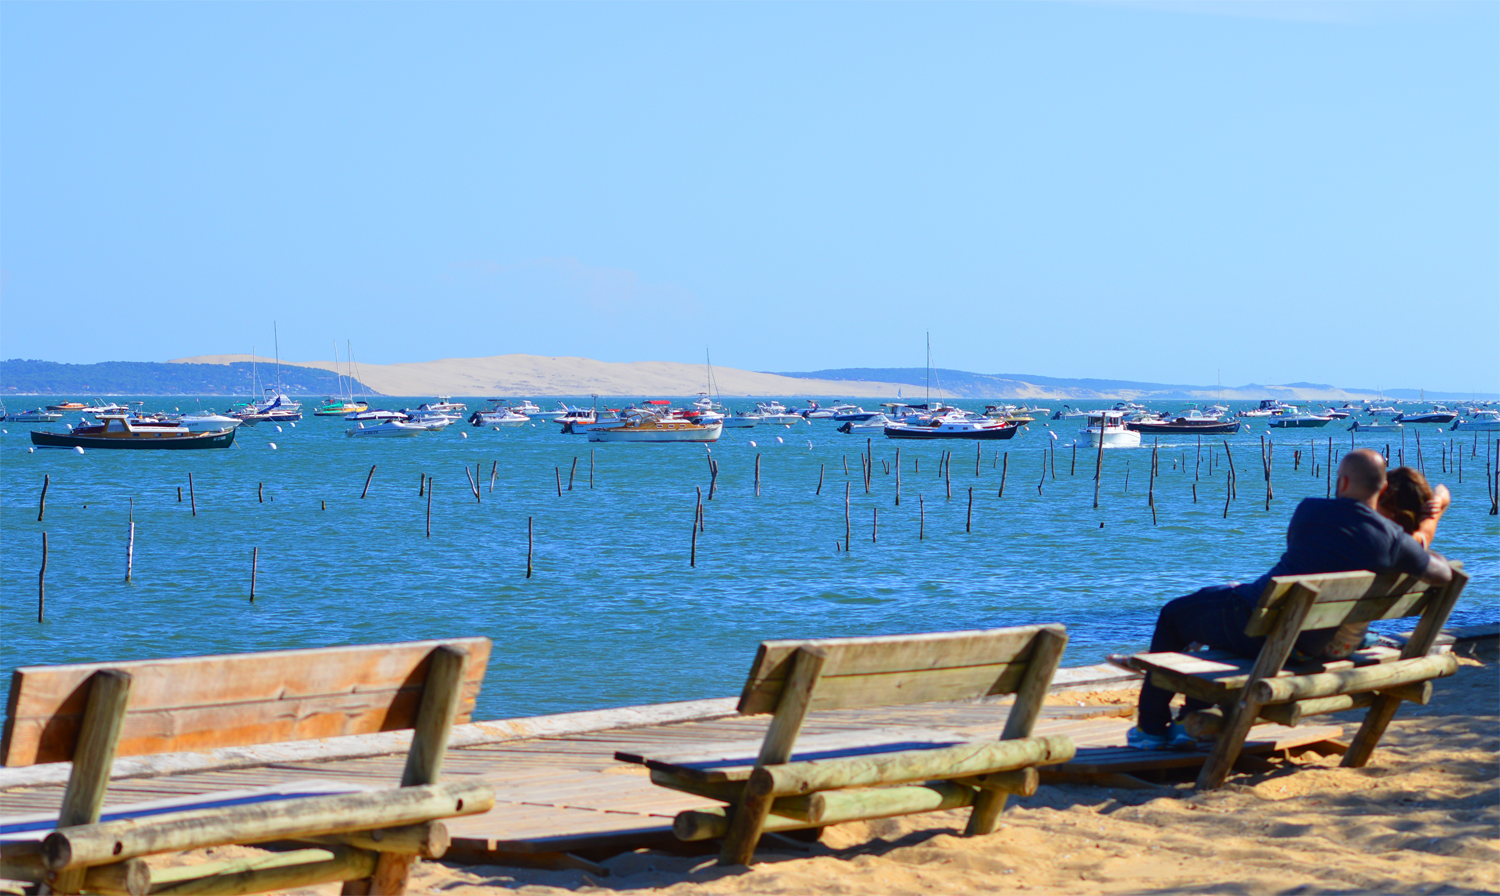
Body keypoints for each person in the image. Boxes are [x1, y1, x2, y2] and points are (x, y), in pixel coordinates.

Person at [1125, 449, 1453, 751]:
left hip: (1258, 626)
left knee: (1174, 614)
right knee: (1214, 620)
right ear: (1383, 490)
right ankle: (1187, 724)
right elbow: (1442, 574)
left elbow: (1307, 546)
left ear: (1342, 481)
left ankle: (1151, 730)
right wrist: (1427, 523)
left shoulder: (1310, 510)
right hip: (1310, 645)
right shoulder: (1393, 541)